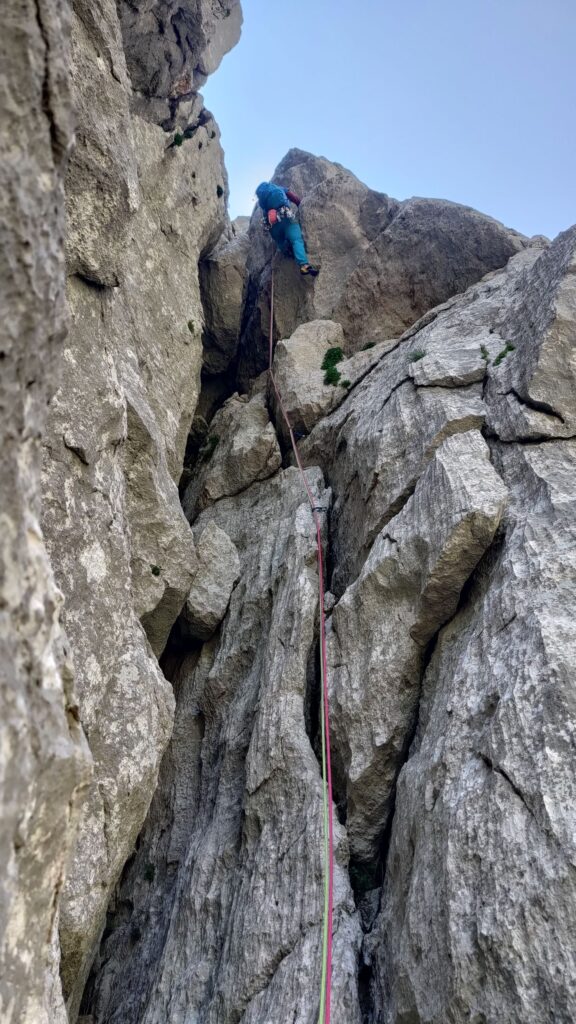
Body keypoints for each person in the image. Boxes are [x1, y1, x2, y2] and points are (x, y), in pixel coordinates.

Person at [255, 182, 319, 276]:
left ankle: (287, 251)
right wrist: (300, 204)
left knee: (279, 241)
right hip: (286, 217)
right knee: (296, 239)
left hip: (273, 225)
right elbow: (293, 197)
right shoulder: (279, 188)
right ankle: (304, 265)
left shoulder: (262, 200)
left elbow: (266, 213)